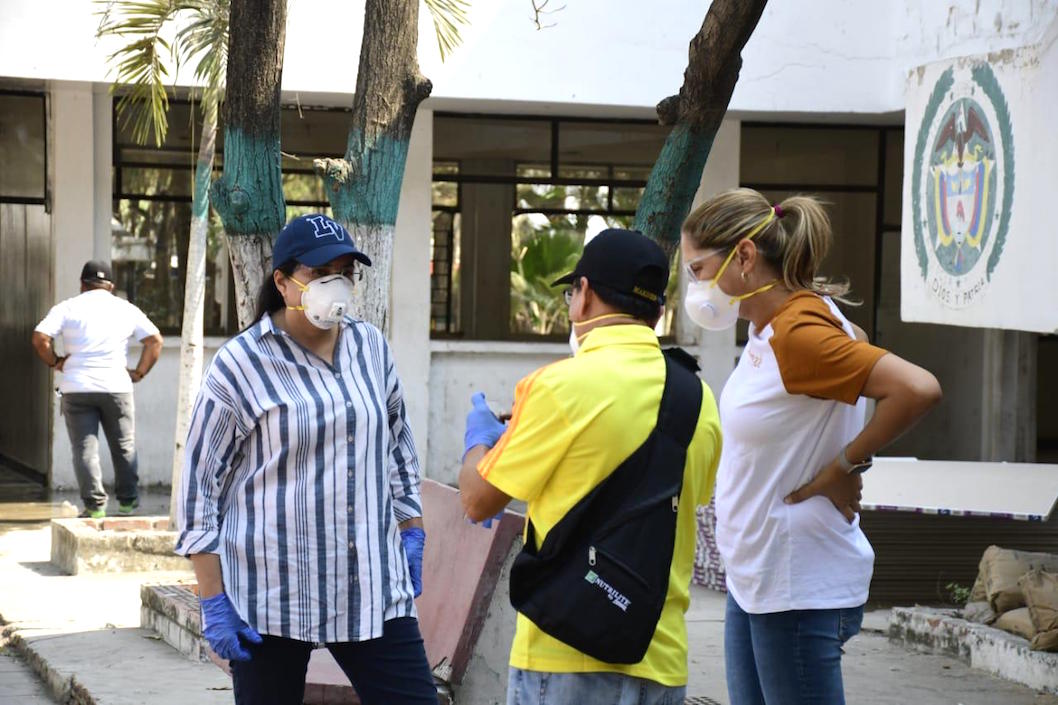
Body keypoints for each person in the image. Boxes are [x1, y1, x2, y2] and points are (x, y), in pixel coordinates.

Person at [680, 188, 942, 705]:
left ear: (746, 257)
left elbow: (917, 388)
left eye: (697, 269)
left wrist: (848, 461)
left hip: (794, 580)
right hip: (757, 572)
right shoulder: (773, 326)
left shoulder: (800, 332)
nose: (693, 286)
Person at [174, 214, 435, 705]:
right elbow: (199, 487)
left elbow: (397, 442)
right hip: (273, 593)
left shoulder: (370, 347)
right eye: (320, 273)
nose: (336, 284)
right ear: (282, 281)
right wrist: (213, 598)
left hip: (372, 586)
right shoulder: (241, 364)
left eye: (346, 271)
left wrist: (412, 527)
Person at [459, 228, 723, 705]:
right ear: (657, 311)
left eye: (570, 292)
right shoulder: (698, 398)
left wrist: (479, 440)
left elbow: (478, 501)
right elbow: (690, 501)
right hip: (660, 660)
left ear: (583, 295)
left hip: (565, 656)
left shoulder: (558, 385)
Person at [31, 260, 163, 518]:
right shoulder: (125, 308)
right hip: (117, 386)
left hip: (76, 387)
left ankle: (94, 508)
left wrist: (55, 361)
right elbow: (154, 341)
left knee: (84, 449)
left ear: (82, 284)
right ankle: (127, 504)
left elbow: (39, 338)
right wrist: (139, 372)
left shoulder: (67, 308)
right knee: (124, 445)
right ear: (111, 286)